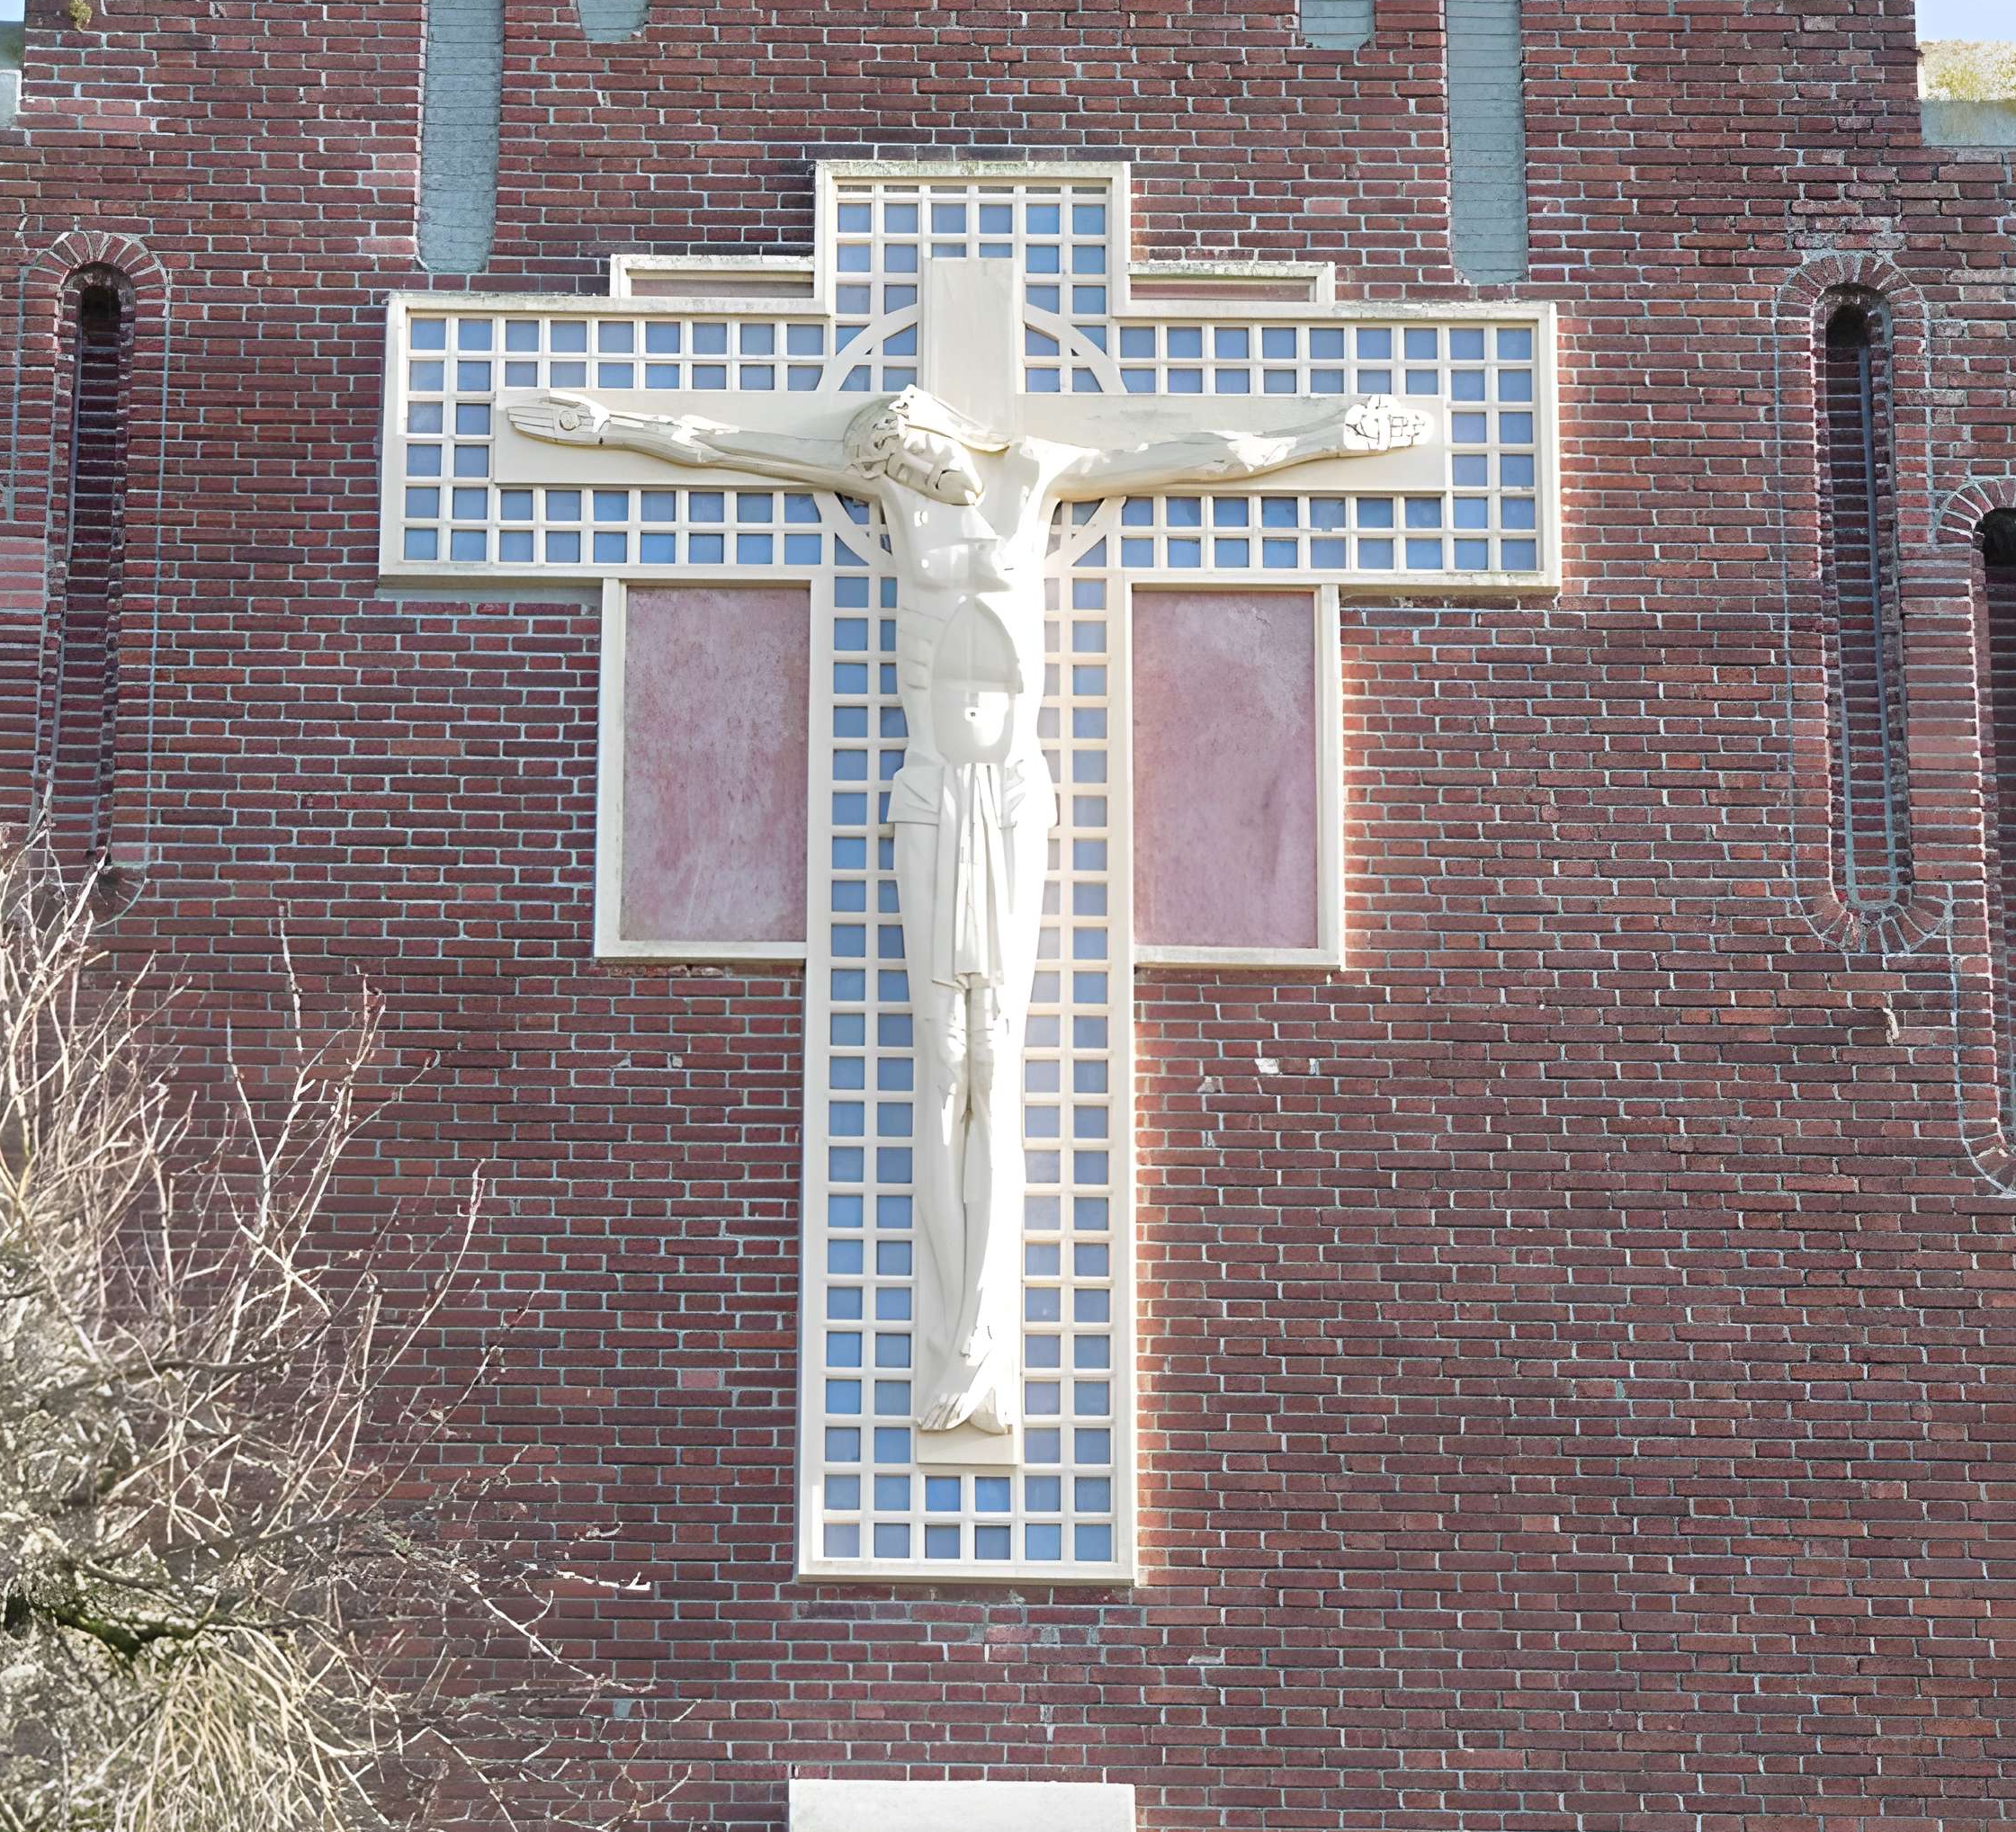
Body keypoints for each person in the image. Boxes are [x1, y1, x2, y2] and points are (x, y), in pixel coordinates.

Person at [508, 384, 1423, 1434]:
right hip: (931, 794)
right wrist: (609, 425)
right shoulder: (892, 500)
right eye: (890, 460)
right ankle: (953, 1338)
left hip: (1015, 797)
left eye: (916, 451)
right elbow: (719, 450)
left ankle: (984, 1331)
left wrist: (1324, 435)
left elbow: (1207, 456)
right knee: (942, 1068)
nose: (911, 470)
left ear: (950, 429)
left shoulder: (1032, 473)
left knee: (1000, 1058)